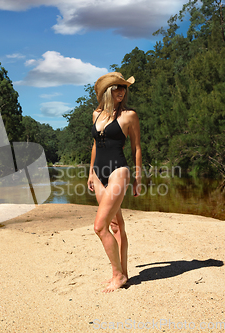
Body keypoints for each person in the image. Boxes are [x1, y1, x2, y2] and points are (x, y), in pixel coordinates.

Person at [87, 72, 142, 293]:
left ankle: (118, 274)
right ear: (107, 91)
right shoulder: (96, 114)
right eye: (117, 87)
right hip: (99, 172)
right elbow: (95, 145)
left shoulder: (130, 115)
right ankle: (121, 274)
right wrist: (91, 172)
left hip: (118, 171)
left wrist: (137, 178)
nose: (122, 91)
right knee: (115, 225)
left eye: (124, 88)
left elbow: (136, 147)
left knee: (99, 227)